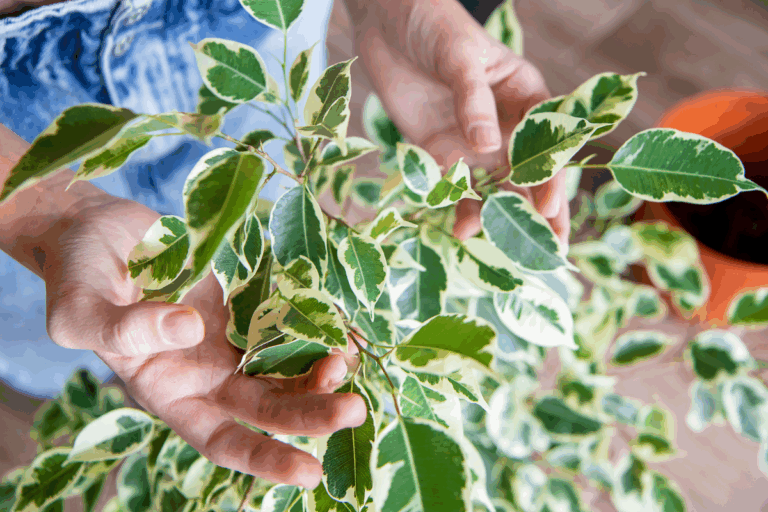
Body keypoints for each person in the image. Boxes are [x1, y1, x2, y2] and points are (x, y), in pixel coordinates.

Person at [0, 0, 567, 490]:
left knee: (241, 254)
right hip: (15, 106)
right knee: (63, 322)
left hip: (248, 23)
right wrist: (44, 217)